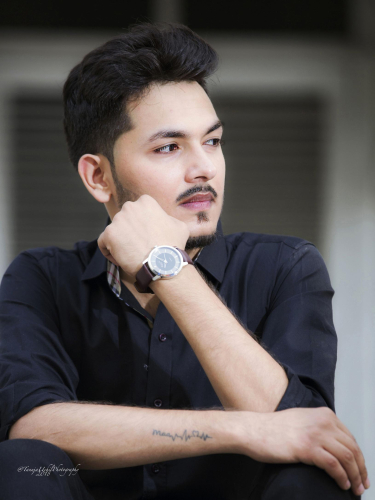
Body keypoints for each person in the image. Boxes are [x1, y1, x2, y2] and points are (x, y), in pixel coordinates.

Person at [0, 22, 369, 500]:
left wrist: (165, 265)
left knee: (313, 474)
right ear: (98, 177)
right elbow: (34, 428)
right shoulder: (42, 279)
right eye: (169, 147)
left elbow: (300, 428)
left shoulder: (286, 267)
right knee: (21, 465)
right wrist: (238, 431)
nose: (204, 168)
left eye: (212, 141)